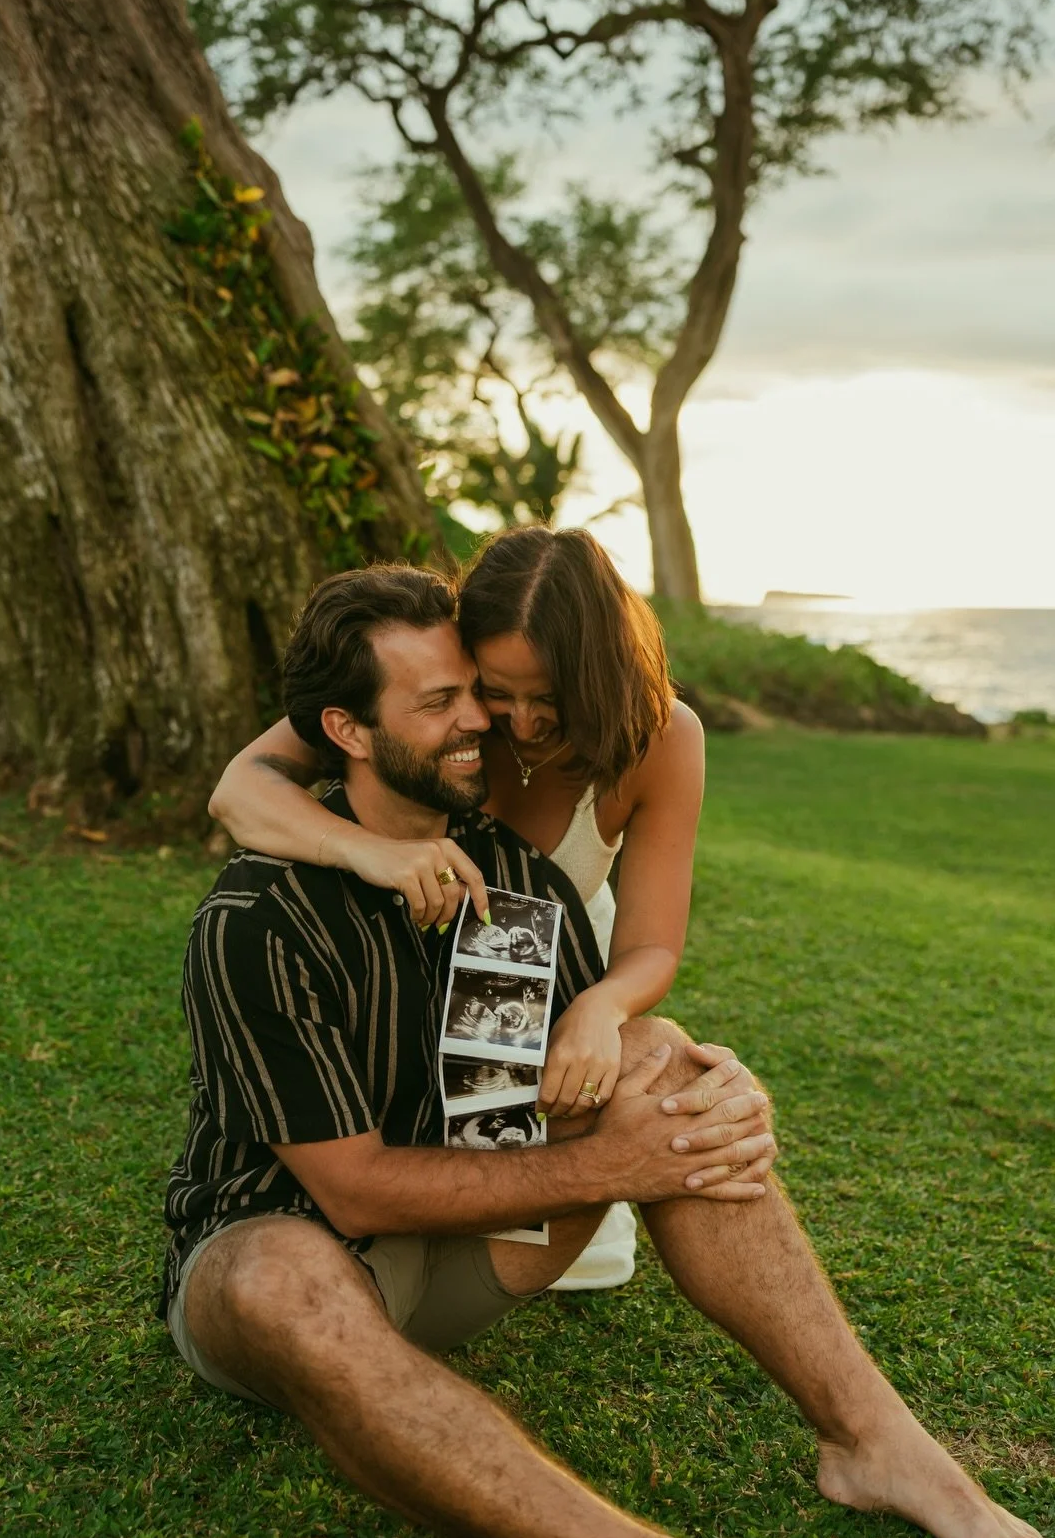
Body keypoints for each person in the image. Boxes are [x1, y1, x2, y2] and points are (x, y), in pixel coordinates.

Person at [162, 565, 1055, 1538]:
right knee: (282, 1271)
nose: (486, 725)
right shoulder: (257, 920)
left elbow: (583, 1050)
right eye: (447, 701)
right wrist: (609, 1165)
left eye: (480, 700)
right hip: (288, 1272)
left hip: (464, 1253)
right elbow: (351, 1195)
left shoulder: (514, 877)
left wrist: (704, 1088)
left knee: (665, 1064)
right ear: (345, 729)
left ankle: (872, 1439)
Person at [208, 527, 705, 1290]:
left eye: (551, 698)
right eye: (496, 690)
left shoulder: (660, 735)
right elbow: (240, 788)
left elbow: (653, 945)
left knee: (583, 1228)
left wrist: (603, 1006)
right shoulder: (448, 715)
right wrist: (365, 850)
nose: (522, 721)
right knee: (437, 1188)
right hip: (429, 964)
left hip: (565, 965)